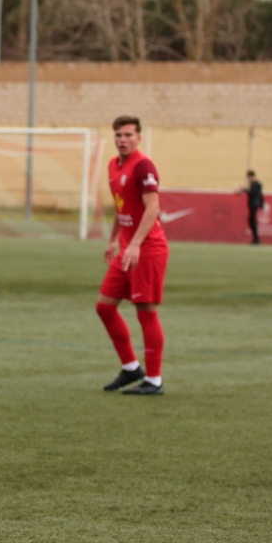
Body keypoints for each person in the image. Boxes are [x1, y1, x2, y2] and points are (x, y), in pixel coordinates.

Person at [97, 115, 168, 396]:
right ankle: (131, 368)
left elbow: (153, 209)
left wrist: (136, 244)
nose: (122, 140)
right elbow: (121, 207)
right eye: (118, 135)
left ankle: (154, 380)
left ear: (139, 137)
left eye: (128, 135)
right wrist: (113, 240)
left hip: (148, 249)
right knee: (104, 306)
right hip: (127, 248)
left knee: (145, 311)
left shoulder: (144, 166)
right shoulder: (113, 166)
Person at [237, 170, 264, 244]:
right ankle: (255, 238)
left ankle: (256, 239)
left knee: (252, 221)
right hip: (253, 204)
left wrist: (244, 190)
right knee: (251, 220)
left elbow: (253, 193)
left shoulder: (255, 184)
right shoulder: (255, 184)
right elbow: (260, 195)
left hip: (254, 204)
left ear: (251, 176)